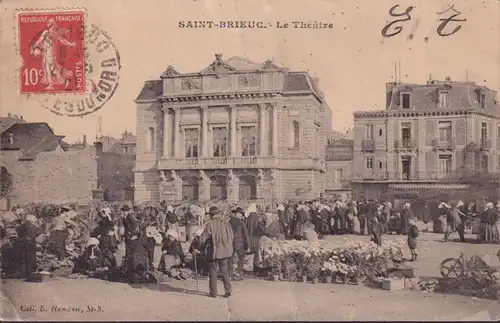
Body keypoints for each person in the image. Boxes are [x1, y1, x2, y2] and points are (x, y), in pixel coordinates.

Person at [197, 206, 234, 298]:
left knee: (213, 271)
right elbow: (232, 236)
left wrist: (200, 246)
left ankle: (213, 293)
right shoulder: (226, 223)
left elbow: (202, 239)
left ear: (210, 215)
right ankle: (228, 291)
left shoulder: (210, 225)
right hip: (225, 250)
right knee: (224, 270)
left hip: (214, 251)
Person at [15, 214, 42, 279]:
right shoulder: (34, 227)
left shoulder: (21, 226)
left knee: (23, 257)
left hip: (23, 242)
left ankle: (24, 272)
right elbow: (38, 233)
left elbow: (18, 233)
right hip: (31, 243)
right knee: (31, 257)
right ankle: (31, 272)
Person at [229, 207, 250, 280]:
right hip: (240, 243)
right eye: (240, 213)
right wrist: (248, 245)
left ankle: (230, 274)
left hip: (230, 243)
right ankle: (239, 272)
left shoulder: (229, 222)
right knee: (241, 258)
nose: (241, 215)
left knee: (230, 259)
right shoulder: (241, 222)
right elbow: (245, 234)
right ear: (236, 214)